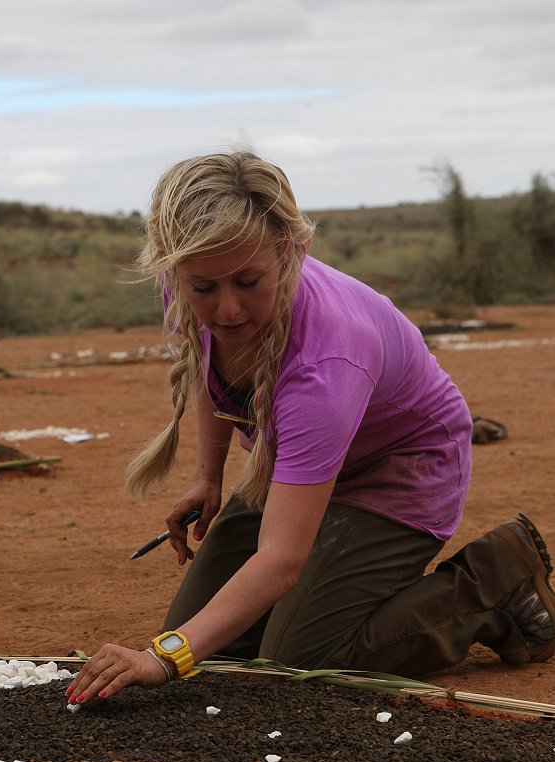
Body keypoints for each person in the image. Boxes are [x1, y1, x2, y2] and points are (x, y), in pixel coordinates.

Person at [67, 151, 555, 706]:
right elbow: (210, 362)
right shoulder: (187, 277)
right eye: (204, 289)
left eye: (249, 282)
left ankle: (494, 586)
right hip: (297, 460)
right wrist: (208, 476)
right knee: (215, 646)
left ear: (292, 252)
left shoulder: (326, 365)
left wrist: (162, 657)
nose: (226, 309)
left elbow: (280, 562)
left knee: (297, 660)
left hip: (398, 472)